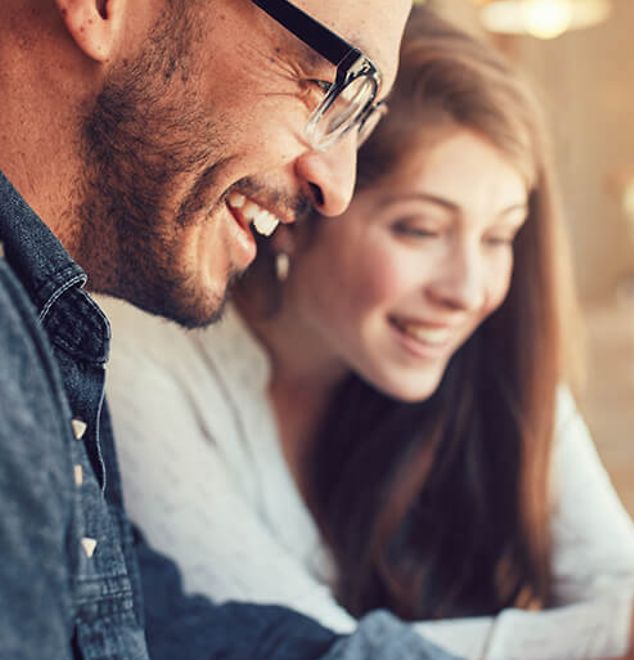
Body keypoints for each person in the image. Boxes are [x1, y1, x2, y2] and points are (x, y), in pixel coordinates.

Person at [103, 8, 634, 659]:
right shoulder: (136, 359)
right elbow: (318, 649)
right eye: (420, 229)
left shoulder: (487, 357)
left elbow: (619, 576)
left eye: (500, 236)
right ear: (307, 204)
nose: (468, 291)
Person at [0, 0, 462, 657]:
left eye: (363, 116)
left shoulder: (43, 323)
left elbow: (155, 620)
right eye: (329, 80)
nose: (338, 187)